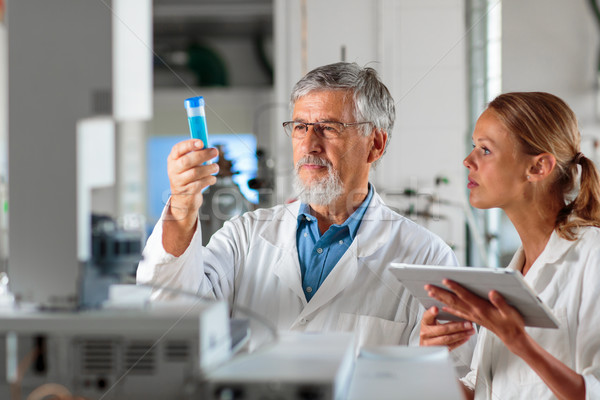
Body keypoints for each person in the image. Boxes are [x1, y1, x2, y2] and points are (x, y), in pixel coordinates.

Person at [137, 62, 470, 362]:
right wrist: (182, 205)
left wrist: (424, 362)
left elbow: (452, 379)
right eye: (300, 126)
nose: (310, 144)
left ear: (376, 144)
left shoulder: (427, 258)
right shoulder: (246, 237)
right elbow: (173, 314)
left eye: (329, 127)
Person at [420, 92, 600, 399]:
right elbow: (480, 392)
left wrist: (518, 340)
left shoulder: (592, 256)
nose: (468, 161)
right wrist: (431, 359)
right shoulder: (514, 272)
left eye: (485, 150)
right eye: (474, 146)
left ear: (538, 167)